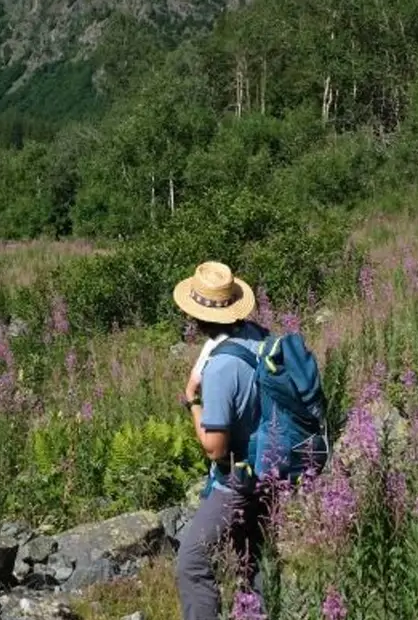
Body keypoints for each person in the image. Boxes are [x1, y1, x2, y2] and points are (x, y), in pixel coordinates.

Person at [173, 261, 268, 620]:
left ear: (196, 317)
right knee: (253, 560)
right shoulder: (257, 336)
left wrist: (192, 401)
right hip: (270, 466)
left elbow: (216, 448)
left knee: (192, 563)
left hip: (238, 478)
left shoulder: (220, 368)